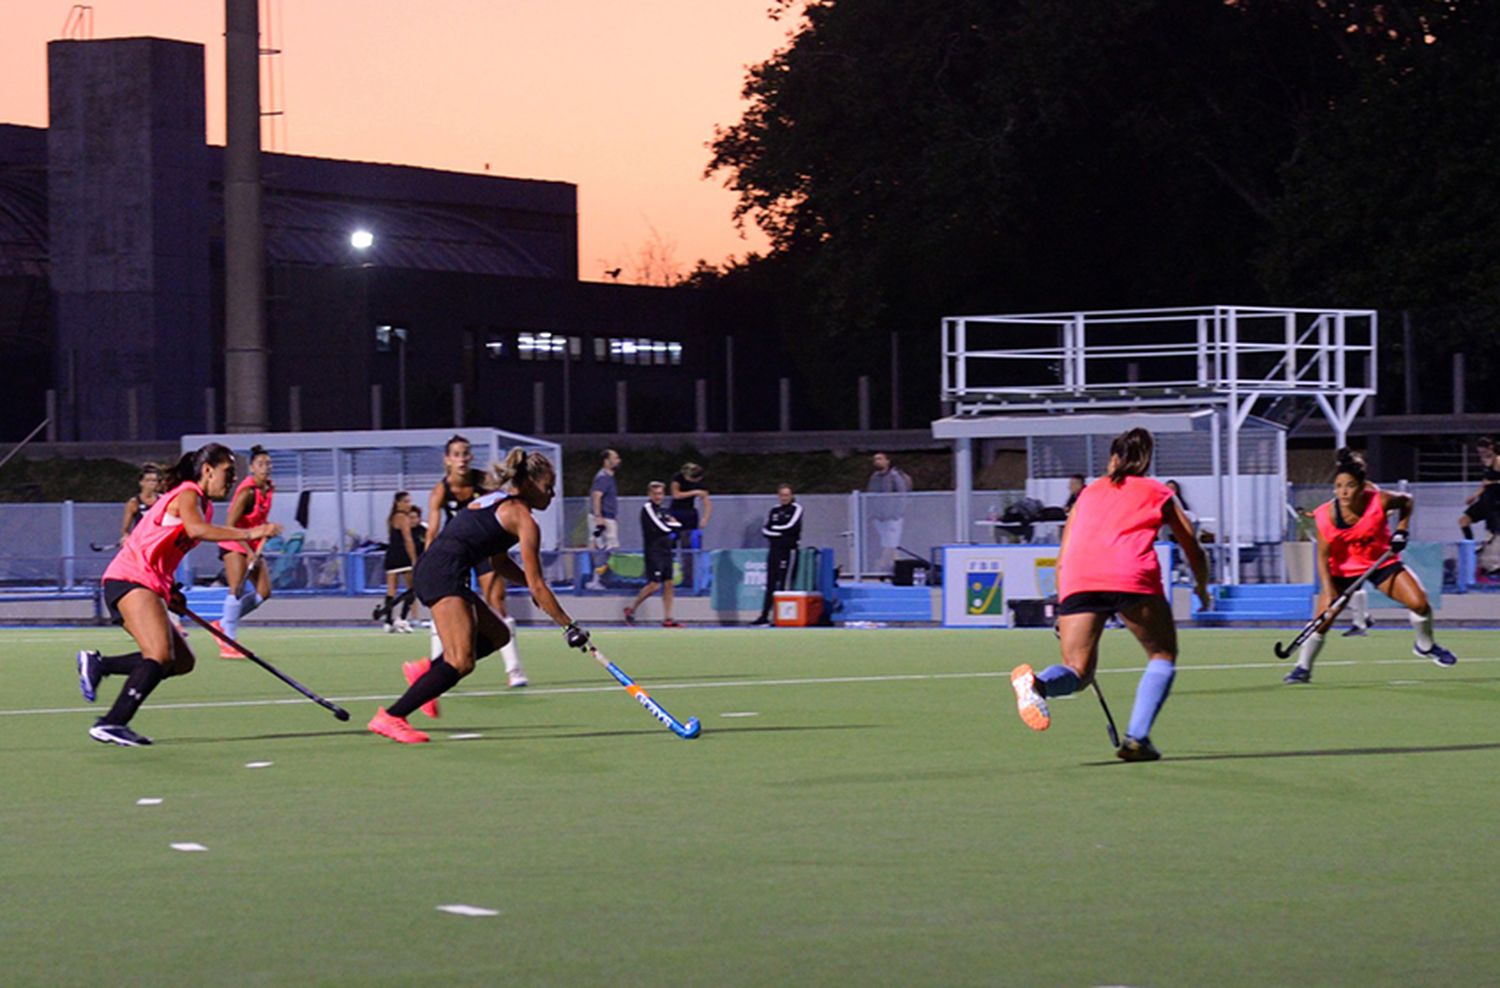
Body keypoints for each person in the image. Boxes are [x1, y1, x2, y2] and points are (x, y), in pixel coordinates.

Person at [1009, 428, 1210, 762]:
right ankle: (1137, 738)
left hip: (1078, 577)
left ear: (1113, 459)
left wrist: (1064, 603)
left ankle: (1037, 685)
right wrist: (1202, 587)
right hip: (1129, 575)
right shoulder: (1157, 492)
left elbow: (1065, 549)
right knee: (1162, 653)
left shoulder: (1087, 493)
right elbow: (1191, 544)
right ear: (1146, 461)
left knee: (1077, 671)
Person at [370, 449, 584, 743]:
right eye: (548, 486)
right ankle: (392, 717)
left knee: (498, 634)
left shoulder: (499, 501)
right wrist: (568, 627)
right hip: (442, 574)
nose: (552, 493)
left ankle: (427, 671)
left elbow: (499, 562)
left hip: (441, 570)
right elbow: (538, 586)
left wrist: (529, 584)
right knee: (460, 662)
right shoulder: (523, 519)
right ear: (530, 483)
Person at [77, 444, 281, 746]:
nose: (232, 480)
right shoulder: (188, 494)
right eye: (228, 472)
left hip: (149, 581)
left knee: (181, 661)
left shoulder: (204, 505)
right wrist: (250, 532)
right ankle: (112, 722)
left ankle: (100, 665)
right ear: (208, 470)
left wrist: (171, 590)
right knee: (159, 654)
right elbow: (198, 531)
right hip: (129, 578)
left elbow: (163, 547)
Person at [1284, 448, 1457, 684]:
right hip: (1341, 572)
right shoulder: (1325, 515)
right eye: (1339, 486)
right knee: (1322, 620)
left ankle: (1425, 646)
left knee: (1420, 602)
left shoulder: (1379, 500)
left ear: (1362, 486)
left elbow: (1407, 501)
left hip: (1380, 561)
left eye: (1350, 486)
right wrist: (1330, 588)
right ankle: (1302, 668)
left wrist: (1402, 530)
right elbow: (1322, 557)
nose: (1343, 492)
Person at [425, 435, 527, 687]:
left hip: (483, 550)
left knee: (497, 602)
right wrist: (427, 564)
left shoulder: (483, 482)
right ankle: (436, 667)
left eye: (465, 453)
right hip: (453, 556)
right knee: (447, 609)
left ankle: (514, 670)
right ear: (447, 460)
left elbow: (504, 504)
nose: (462, 459)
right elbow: (432, 532)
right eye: (456, 454)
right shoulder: (441, 490)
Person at [214, 445, 275, 657]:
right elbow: (230, 524)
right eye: (260, 464)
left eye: (268, 463)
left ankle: (221, 624)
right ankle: (228, 642)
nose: (265, 467)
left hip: (252, 543)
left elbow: (259, 520)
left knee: (264, 592)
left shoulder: (268, 488)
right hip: (234, 541)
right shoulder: (247, 491)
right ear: (251, 468)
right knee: (236, 589)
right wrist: (248, 549)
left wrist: (264, 535)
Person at [624, 481, 683, 628]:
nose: (658, 496)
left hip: (666, 551)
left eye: (661, 493)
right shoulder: (647, 508)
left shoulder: (664, 510)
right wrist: (671, 525)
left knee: (669, 584)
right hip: (653, 551)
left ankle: (668, 618)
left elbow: (678, 526)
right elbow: (662, 526)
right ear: (649, 494)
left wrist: (672, 525)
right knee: (654, 585)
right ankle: (631, 609)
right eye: (655, 494)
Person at [752, 484, 804, 626]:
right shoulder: (774, 510)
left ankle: (781, 616)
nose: (784, 498)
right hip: (774, 550)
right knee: (770, 583)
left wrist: (775, 530)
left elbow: (790, 527)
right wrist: (776, 532)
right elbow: (766, 529)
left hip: (788, 551)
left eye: (787, 495)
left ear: (792, 496)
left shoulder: (796, 509)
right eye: (782, 495)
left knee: (784, 582)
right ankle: (764, 615)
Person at [373, 491, 423, 632]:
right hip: (403, 557)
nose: (409, 504)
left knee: (391, 590)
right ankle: (402, 618)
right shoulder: (403, 518)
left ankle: (388, 622)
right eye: (406, 501)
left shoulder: (392, 518)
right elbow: (408, 540)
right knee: (411, 589)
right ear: (398, 503)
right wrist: (414, 559)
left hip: (391, 556)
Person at [866, 452, 912, 573]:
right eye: (875, 459)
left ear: (887, 461)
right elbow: (871, 496)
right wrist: (873, 513)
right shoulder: (874, 477)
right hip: (879, 517)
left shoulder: (895, 476)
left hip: (893, 517)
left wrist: (897, 513)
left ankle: (880, 567)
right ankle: (895, 569)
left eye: (880, 459)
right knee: (887, 544)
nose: (877, 461)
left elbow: (903, 495)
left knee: (891, 543)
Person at [669, 461, 712, 581]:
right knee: (669, 545)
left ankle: (689, 579)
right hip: (674, 514)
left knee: (688, 548)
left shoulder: (701, 483)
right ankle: (665, 575)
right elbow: (676, 494)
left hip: (690, 516)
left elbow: (707, 504)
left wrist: (705, 518)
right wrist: (694, 492)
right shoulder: (678, 477)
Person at [587, 448, 622, 590]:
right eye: (615, 457)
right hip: (603, 519)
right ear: (607, 461)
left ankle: (601, 579)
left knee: (609, 549)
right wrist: (598, 517)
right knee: (601, 548)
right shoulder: (603, 477)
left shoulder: (608, 477)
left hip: (607, 518)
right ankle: (596, 580)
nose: (618, 460)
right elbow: (596, 496)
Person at [119, 463, 162, 542]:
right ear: (141, 482)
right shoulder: (134, 503)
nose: (151, 483)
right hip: (140, 542)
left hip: (158, 541)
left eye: (154, 480)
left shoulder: (163, 500)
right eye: (148, 480)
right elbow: (125, 529)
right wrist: (125, 537)